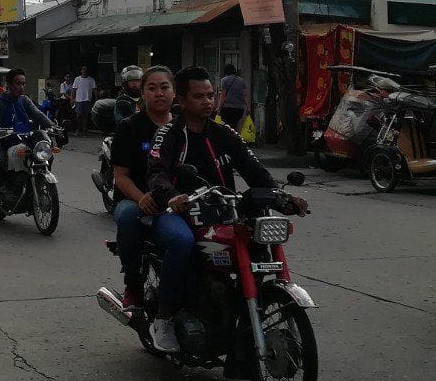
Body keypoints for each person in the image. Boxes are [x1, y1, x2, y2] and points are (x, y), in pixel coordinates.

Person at [146, 66, 309, 355]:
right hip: (181, 213)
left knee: (257, 242)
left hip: (225, 211)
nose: (208, 101)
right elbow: (157, 171)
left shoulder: (224, 133)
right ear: (182, 100)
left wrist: (282, 198)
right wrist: (172, 196)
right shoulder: (168, 134)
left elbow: (254, 170)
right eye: (199, 96)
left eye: (211, 95)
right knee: (182, 244)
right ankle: (165, 318)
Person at [110, 66, 178, 315]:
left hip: (175, 200)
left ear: (174, 92)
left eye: (164, 87)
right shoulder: (129, 127)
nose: (159, 93)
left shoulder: (182, 126)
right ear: (143, 94)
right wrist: (141, 198)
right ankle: (133, 283)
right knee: (129, 216)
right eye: (152, 88)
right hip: (135, 198)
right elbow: (120, 176)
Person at [0, 68, 52, 196]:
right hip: (4, 140)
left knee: (46, 153)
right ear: (8, 84)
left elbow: (38, 114)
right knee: (1, 162)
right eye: (18, 84)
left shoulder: (24, 100)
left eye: (23, 84)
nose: (21, 87)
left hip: (24, 139)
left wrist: (53, 126)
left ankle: (37, 182)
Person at [217, 63, 250, 131]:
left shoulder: (224, 80)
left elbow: (223, 95)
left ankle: (229, 137)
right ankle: (233, 136)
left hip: (227, 108)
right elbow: (245, 95)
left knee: (227, 126)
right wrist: (247, 107)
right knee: (234, 125)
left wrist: (219, 108)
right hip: (239, 108)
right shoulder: (242, 81)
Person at [71, 65, 98, 136]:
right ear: (81, 71)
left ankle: (84, 131)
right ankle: (77, 130)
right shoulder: (77, 79)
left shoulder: (91, 80)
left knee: (85, 116)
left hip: (87, 100)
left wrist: (96, 99)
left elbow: (95, 90)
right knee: (78, 116)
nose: (84, 71)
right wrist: (72, 98)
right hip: (79, 100)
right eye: (83, 69)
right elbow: (74, 89)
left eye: (85, 70)